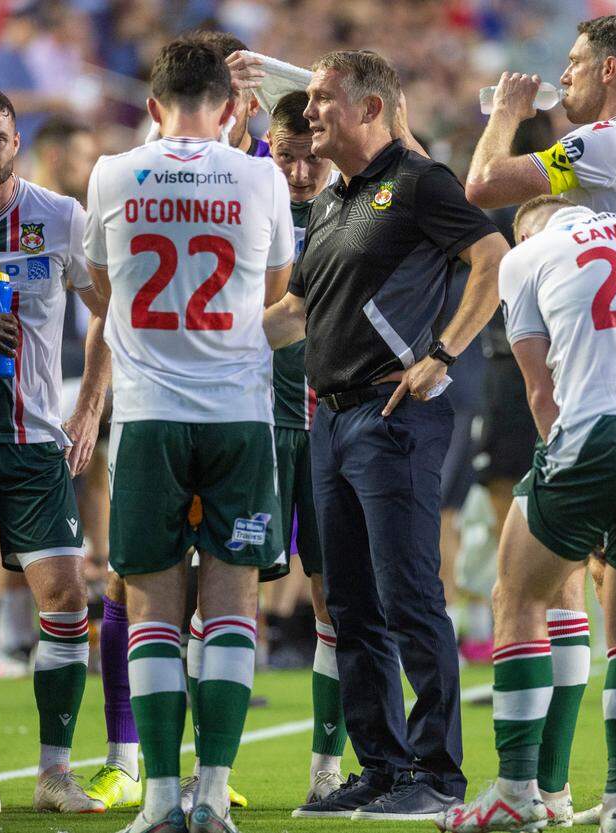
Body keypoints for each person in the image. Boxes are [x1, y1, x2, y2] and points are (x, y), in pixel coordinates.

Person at [264, 49, 508, 822]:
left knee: (408, 594)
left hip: (392, 413)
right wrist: (192, 337)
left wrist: (445, 350)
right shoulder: (336, 198)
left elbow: (494, 258)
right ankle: (380, 765)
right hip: (331, 417)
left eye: (323, 100)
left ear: (371, 107)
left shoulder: (420, 183)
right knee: (350, 602)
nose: (310, 113)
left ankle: (436, 772)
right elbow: (293, 315)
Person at [464, 14, 616, 822]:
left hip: (597, 390)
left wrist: (505, 111)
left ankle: (522, 790)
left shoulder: (610, 145)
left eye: (569, 64)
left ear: (605, 70)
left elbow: (484, 188)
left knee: (524, 589)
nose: (559, 76)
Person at [83, 37, 294, 833]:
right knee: (235, 601)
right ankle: (213, 794)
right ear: (235, 107)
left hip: (147, 414)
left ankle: (161, 798)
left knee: (152, 611)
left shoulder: (111, 172)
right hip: (238, 411)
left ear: (152, 105)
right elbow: (275, 293)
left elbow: (105, 289)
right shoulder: (262, 175)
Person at [0, 84, 110, 816]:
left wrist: (90, 403)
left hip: (37, 439)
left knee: (67, 596)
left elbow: (105, 311)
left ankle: (54, 771)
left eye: (0, 137)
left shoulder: (60, 216)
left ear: (17, 139)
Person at [262, 90, 345, 806]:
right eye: (286, 157)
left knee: (333, 598)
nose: (298, 173)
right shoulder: (240, 200)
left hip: (325, 426)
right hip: (248, 425)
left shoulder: (351, 208)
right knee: (210, 591)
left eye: (310, 157)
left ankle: (326, 770)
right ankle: (201, 773)